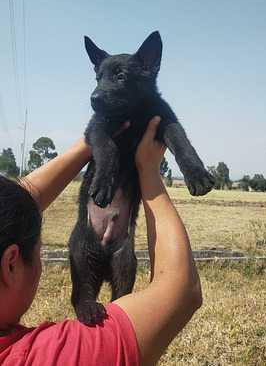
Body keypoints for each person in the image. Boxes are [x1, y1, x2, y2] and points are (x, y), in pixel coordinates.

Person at [0, 116, 202, 366]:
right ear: (11, 265)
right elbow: (184, 289)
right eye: (39, 252)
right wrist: (149, 169)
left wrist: (87, 143)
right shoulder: (55, 356)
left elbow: (10, 208)